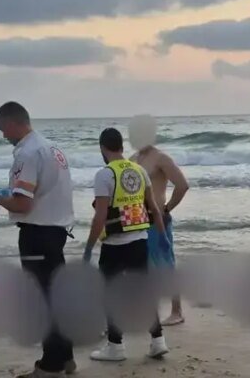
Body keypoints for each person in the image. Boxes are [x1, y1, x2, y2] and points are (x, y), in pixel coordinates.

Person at [0, 102, 76, 378]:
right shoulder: (52, 149)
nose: (3, 135)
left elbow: (22, 204)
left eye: (3, 128)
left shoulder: (27, 153)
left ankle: (50, 365)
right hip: (56, 230)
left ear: (13, 123)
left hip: (37, 233)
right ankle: (65, 357)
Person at [84, 127, 172, 362]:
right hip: (139, 242)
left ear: (103, 148)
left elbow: (100, 217)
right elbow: (154, 209)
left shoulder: (105, 175)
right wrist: (163, 237)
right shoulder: (139, 170)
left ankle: (115, 346)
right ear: (122, 147)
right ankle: (158, 341)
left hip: (114, 246)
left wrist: (89, 247)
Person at [128, 114, 190, 325]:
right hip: (137, 219)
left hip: (158, 220)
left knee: (165, 263)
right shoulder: (132, 160)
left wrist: (166, 208)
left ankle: (177, 310)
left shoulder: (161, 158)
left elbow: (182, 185)